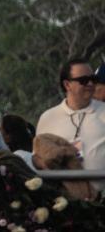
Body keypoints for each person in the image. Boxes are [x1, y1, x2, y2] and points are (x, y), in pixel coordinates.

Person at [36, 58, 105, 192]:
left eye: (93, 78)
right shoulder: (48, 118)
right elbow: (38, 159)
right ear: (67, 85)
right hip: (65, 204)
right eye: (84, 80)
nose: (90, 84)